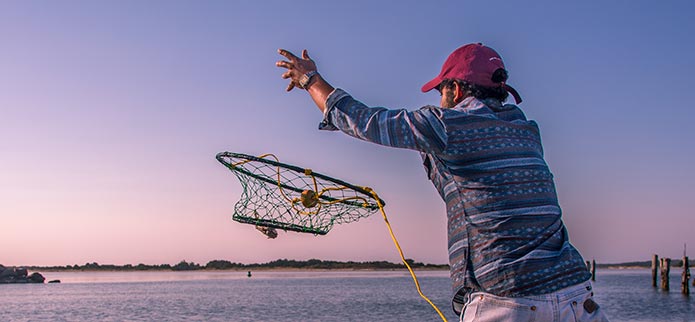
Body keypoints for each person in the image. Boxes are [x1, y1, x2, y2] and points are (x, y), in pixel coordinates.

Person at [276, 43, 609, 321]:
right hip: (578, 298)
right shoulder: (527, 131)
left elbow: (364, 121)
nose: (438, 99)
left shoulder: (447, 124)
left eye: (440, 90)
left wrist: (311, 80)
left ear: (456, 89)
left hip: (507, 300)